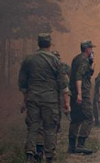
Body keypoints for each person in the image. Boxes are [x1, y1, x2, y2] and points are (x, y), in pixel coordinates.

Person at [18, 33, 70, 163]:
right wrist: (66, 103)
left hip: (33, 98)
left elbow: (22, 82)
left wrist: (26, 98)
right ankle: (50, 155)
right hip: (50, 99)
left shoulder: (28, 59)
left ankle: (30, 152)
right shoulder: (54, 60)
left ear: (38, 43)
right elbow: (62, 83)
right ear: (49, 43)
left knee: (33, 126)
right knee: (49, 128)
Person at [68, 40, 96, 154]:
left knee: (76, 118)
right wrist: (80, 94)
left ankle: (71, 146)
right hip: (82, 93)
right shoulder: (83, 60)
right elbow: (79, 76)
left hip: (74, 93)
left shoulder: (77, 58)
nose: (92, 50)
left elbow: (86, 73)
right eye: (91, 48)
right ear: (87, 49)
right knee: (89, 118)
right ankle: (80, 144)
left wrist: (91, 62)